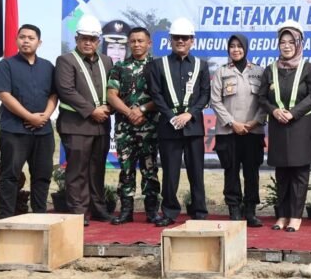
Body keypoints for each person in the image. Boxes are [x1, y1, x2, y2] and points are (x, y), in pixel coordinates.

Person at [258, 20, 311, 233]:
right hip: (278, 126)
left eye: (291, 42)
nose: (286, 46)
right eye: (282, 42)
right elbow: (262, 98)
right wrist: (274, 111)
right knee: (282, 173)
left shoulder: (308, 68)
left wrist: (293, 113)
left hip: (301, 127)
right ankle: (282, 215)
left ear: (299, 43)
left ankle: (295, 216)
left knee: (299, 173)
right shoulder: (270, 70)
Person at [148, 17, 210, 227]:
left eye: (185, 37)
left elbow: (205, 94)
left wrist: (190, 114)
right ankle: (169, 212)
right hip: (169, 127)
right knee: (170, 172)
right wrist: (171, 116)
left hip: (193, 127)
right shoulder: (158, 65)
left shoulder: (201, 65)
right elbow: (156, 94)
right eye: (176, 37)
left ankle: (199, 211)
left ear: (192, 40)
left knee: (196, 172)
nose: (180, 41)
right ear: (170, 40)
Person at [0, 24, 57, 219]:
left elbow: (54, 94)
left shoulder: (48, 67)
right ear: (16, 40)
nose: (26, 41)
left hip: (43, 131)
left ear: (39, 42)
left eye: (31, 38)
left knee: (42, 175)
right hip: (14, 131)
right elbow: (4, 95)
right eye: (22, 37)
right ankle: (6, 219)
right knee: (10, 175)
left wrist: (45, 116)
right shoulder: (6, 65)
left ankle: (39, 217)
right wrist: (29, 117)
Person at [54, 14, 114, 226]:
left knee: (97, 169)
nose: (88, 43)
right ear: (76, 39)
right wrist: (92, 111)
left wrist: (110, 107)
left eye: (92, 39)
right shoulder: (65, 60)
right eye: (84, 38)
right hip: (76, 125)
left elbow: (112, 90)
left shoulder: (106, 61)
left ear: (99, 40)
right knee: (77, 170)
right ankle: (79, 210)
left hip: (101, 126)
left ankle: (98, 208)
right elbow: (66, 91)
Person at [106, 27, 161, 225]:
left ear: (149, 43)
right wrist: (130, 113)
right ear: (129, 43)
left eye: (141, 41)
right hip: (125, 128)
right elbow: (111, 95)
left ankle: (152, 211)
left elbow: (162, 96)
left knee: (150, 170)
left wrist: (142, 110)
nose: (137, 44)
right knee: (126, 170)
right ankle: (126, 211)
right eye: (133, 41)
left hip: (149, 127)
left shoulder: (157, 67)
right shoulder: (120, 67)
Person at [210, 33, 266, 227]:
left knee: (252, 173)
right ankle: (234, 209)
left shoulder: (259, 71)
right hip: (228, 132)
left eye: (239, 46)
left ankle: (250, 211)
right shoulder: (221, 72)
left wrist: (254, 122)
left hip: (253, 132)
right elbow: (215, 101)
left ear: (246, 48)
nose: (236, 50)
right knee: (231, 172)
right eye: (232, 46)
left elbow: (265, 101)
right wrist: (232, 123)